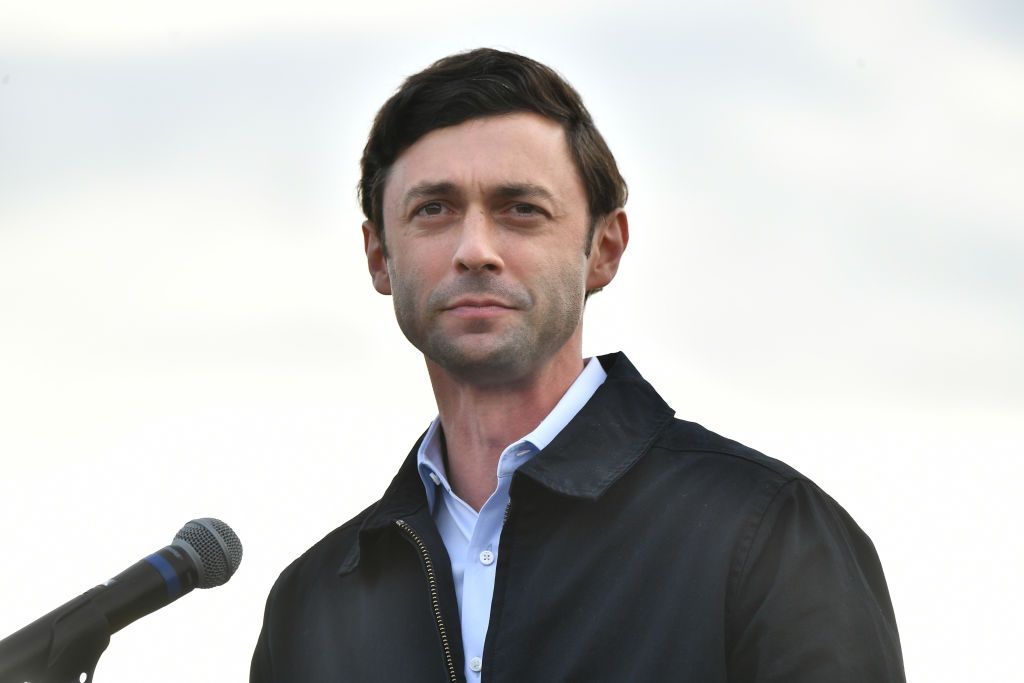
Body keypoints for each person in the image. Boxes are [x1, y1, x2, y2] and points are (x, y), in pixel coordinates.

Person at [250, 48, 905, 682]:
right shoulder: (311, 606)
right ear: (379, 256)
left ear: (605, 248)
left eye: (521, 209)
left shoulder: (765, 534)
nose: (475, 249)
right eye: (434, 209)